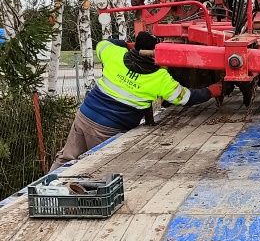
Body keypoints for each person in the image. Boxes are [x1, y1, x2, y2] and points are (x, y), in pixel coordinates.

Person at [53, 31, 221, 167]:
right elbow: (186, 98)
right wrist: (211, 91)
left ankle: (44, 193)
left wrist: (125, 44)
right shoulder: (159, 78)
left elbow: (103, 44)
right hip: (108, 129)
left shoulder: (115, 55)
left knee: (66, 158)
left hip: (84, 116)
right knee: (101, 169)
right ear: (157, 54)